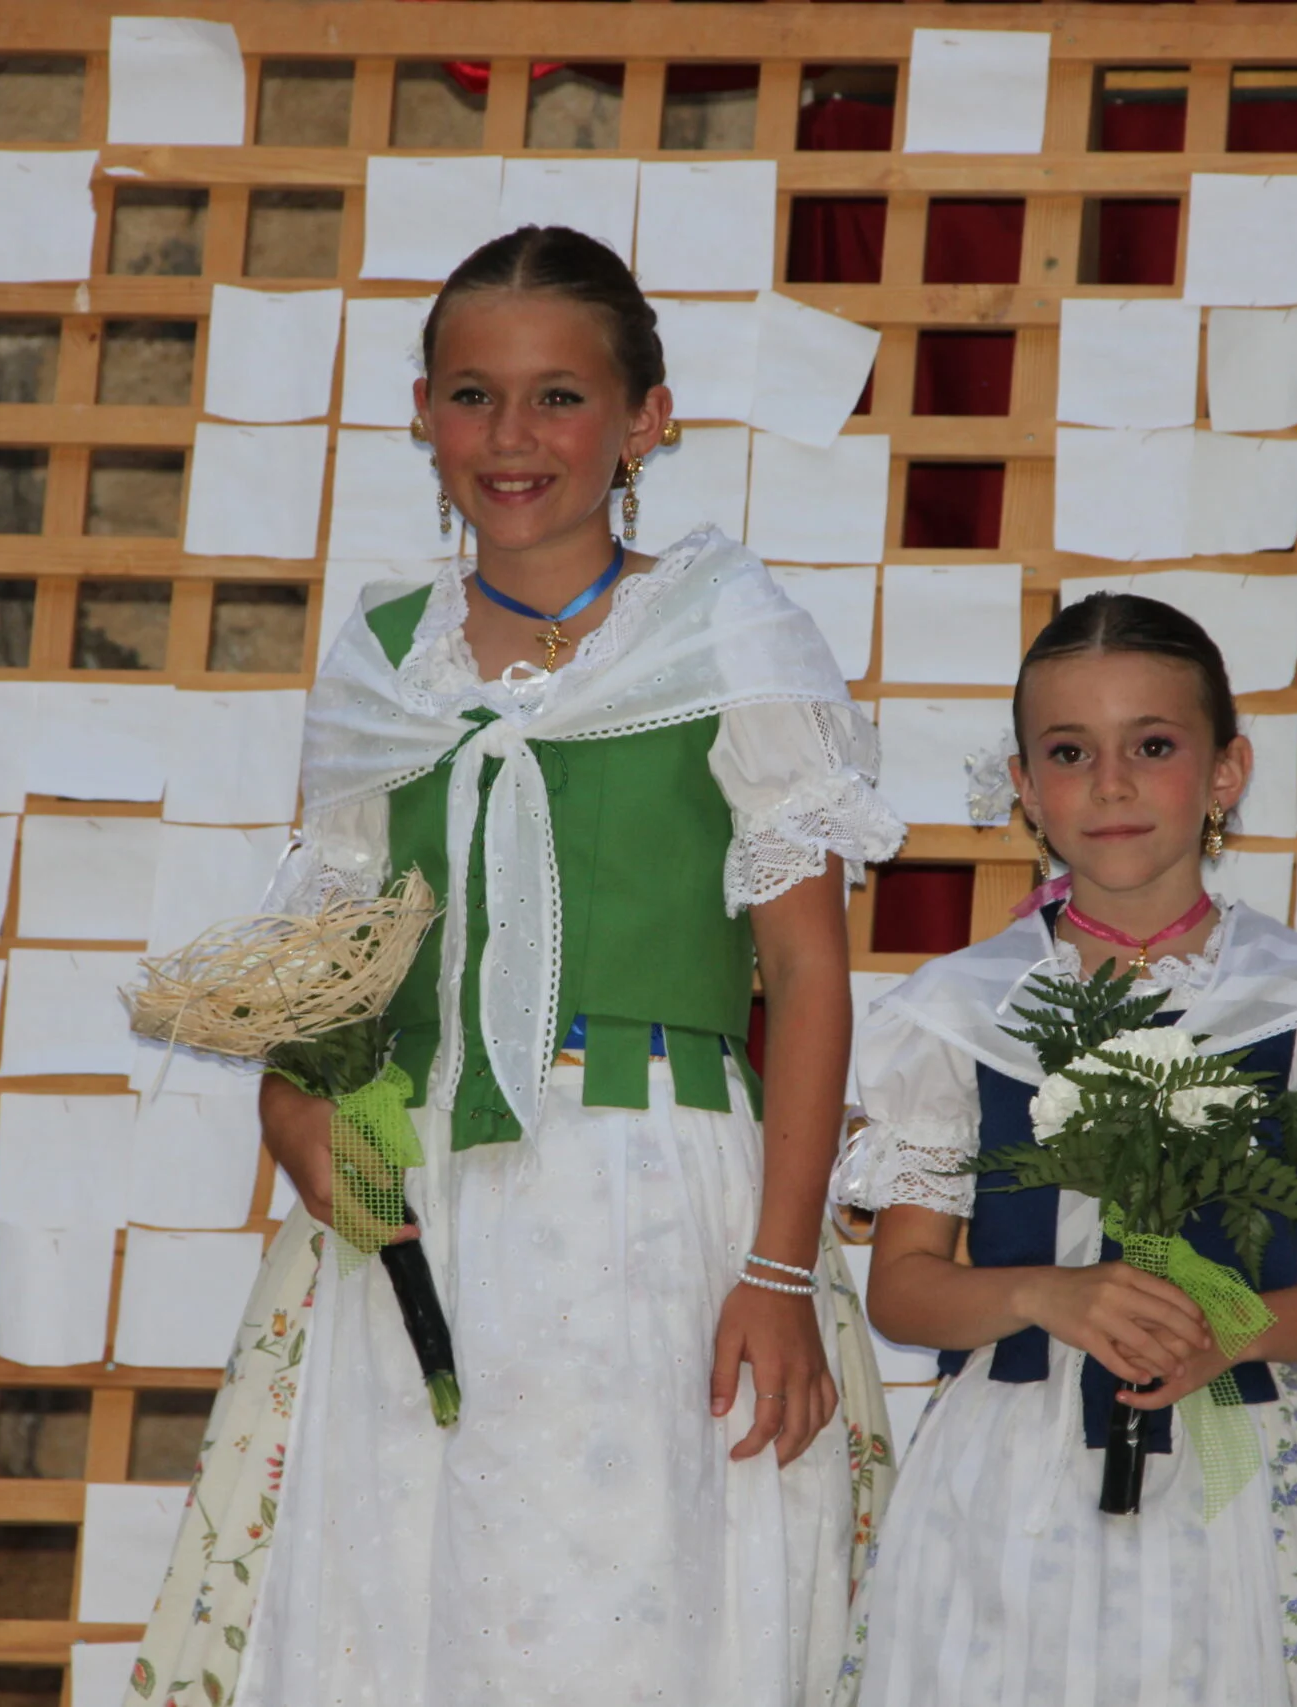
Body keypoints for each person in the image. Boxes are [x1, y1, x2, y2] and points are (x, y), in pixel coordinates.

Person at [129, 225, 908, 1707]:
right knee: (403, 1593)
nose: (513, 435)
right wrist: (292, 1106)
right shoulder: (384, 655)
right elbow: (333, 957)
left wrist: (780, 1265)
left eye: (560, 396)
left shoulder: (727, 634)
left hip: (663, 1204)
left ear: (646, 418)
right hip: (421, 1205)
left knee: (642, 1605)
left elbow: (807, 976)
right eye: (474, 395)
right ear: (422, 414)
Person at [832, 593, 1297, 1707]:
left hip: (1247, 1458)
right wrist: (1050, 1294)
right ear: (1023, 785)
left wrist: (1229, 1334)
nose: (1111, 784)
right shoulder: (952, 1012)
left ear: (1226, 772)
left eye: (1152, 746)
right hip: (1009, 1483)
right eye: (1068, 752)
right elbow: (902, 1293)